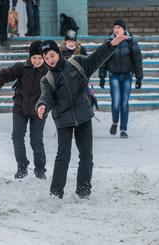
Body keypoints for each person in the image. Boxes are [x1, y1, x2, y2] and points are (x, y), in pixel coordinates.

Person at [36, 36, 127, 199]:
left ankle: (84, 191)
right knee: (63, 156)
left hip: (83, 117)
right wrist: (42, 106)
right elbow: (46, 97)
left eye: (52, 55)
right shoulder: (47, 79)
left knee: (86, 155)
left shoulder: (77, 63)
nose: (49, 60)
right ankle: (56, 193)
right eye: (46, 58)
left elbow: (96, 58)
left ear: (58, 53)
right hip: (63, 120)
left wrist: (111, 45)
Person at [0, 40, 48, 179]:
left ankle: (40, 169)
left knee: (36, 140)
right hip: (20, 108)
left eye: (40, 58)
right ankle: (22, 166)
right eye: (34, 58)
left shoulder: (48, 71)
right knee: (17, 136)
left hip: (40, 110)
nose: (37, 61)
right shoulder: (21, 67)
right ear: (30, 57)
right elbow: (2, 75)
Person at [98, 19, 143, 138]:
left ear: (124, 29)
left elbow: (138, 61)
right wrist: (102, 76)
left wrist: (139, 77)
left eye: (119, 27)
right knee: (116, 102)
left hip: (127, 76)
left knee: (124, 103)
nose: (116, 29)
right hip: (114, 76)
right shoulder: (109, 42)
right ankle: (115, 122)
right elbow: (103, 60)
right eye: (115, 27)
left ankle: (123, 129)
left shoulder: (131, 42)